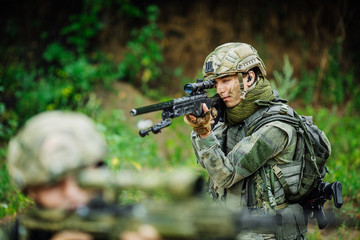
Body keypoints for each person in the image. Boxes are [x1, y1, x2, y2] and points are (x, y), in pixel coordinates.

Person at [184, 42, 308, 240]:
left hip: (266, 231)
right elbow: (207, 160)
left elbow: (225, 175)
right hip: (233, 223)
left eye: (225, 80)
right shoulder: (235, 116)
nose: (220, 90)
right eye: (215, 83)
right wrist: (203, 126)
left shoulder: (275, 127)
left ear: (249, 77)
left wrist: (204, 133)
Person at [0, 111, 160, 240]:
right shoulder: (15, 233)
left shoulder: (136, 220)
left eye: (82, 178)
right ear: (31, 190)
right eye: (53, 184)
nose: (71, 193)